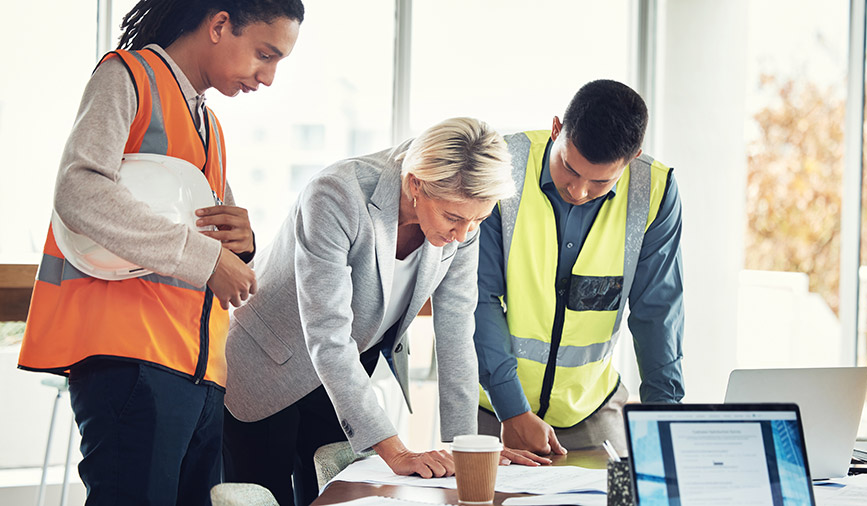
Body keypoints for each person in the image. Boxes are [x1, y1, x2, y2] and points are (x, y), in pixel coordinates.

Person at [17, 1, 304, 504]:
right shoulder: (126, 76)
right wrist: (208, 259)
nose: (270, 77)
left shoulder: (209, 125)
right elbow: (79, 190)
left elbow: (206, 242)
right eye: (264, 54)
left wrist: (242, 243)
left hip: (202, 372)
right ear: (219, 25)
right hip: (132, 360)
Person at [222, 117, 549, 506]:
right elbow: (328, 335)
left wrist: (469, 449)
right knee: (267, 495)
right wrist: (396, 450)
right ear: (416, 184)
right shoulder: (337, 194)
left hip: (343, 378)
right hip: (267, 367)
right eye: (454, 219)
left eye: (477, 220)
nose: (463, 235)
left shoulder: (463, 218)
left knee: (341, 496)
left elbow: (457, 331)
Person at [475, 79, 685, 457]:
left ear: (633, 157)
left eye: (601, 181)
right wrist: (513, 409)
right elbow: (479, 298)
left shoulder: (655, 192)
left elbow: (658, 314)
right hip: (492, 405)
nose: (579, 190)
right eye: (569, 169)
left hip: (591, 410)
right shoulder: (502, 167)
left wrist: (664, 422)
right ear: (557, 130)